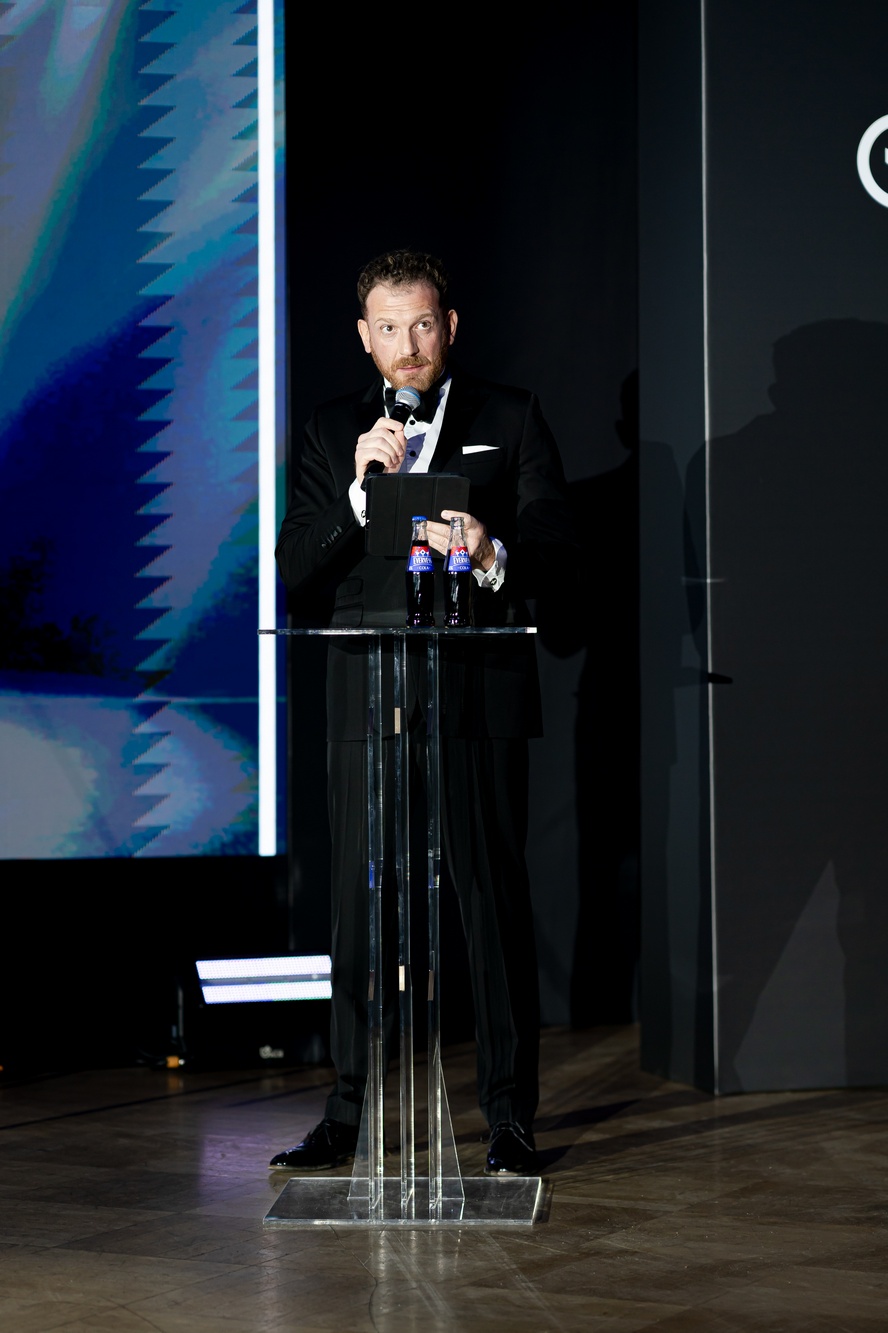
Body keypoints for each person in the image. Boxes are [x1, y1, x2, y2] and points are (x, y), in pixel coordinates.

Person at [272, 249, 575, 1175]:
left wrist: (491, 552)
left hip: (476, 696)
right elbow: (296, 571)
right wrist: (357, 495)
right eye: (389, 327)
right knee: (358, 909)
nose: (408, 345)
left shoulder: (510, 416)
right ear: (364, 337)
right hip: (367, 698)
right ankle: (348, 1110)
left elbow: (559, 561)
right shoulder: (333, 431)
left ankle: (509, 1117)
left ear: (450, 326)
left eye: (424, 324)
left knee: (490, 906)